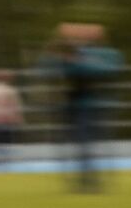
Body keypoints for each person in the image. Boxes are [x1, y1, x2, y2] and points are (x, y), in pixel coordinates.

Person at [41, 23, 124, 192]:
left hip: (96, 103)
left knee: (92, 144)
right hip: (73, 104)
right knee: (79, 144)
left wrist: (77, 62)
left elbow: (109, 71)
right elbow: (46, 67)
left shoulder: (107, 53)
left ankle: (93, 179)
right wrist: (57, 43)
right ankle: (84, 179)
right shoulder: (66, 52)